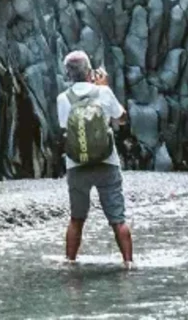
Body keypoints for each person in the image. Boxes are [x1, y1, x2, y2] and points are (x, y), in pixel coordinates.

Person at [57, 51, 133, 265]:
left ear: (68, 75)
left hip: (76, 164)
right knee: (118, 220)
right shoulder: (104, 92)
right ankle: (129, 264)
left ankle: (70, 263)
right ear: (89, 71)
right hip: (106, 162)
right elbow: (122, 119)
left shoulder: (62, 99)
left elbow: (65, 128)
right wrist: (102, 86)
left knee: (76, 219)